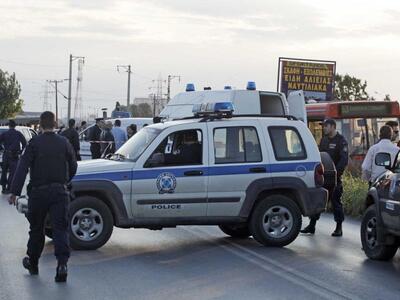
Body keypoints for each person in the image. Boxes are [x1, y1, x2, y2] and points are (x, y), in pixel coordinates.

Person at [8, 111, 77, 283]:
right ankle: (62, 265)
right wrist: (65, 182)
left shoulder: (34, 143)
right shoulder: (64, 142)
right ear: (55, 124)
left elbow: (22, 168)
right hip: (60, 193)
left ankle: (33, 263)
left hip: (38, 193)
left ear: (40, 124)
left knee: (36, 229)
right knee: (60, 228)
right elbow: (73, 165)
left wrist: (15, 192)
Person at [301, 119, 348, 237]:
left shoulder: (341, 141)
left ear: (332, 126)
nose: (324, 128)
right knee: (319, 200)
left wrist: (336, 173)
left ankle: (339, 228)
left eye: (326, 126)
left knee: (336, 202)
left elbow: (343, 160)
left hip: (335, 177)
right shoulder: (324, 140)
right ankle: (312, 225)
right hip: (323, 176)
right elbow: (319, 156)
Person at [0, 120, 27, 194]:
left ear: (9, 126)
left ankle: (3, 187)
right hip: (14, 155)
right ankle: (9, 187)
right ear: (15, 126)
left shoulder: (5, 134)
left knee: (4, 171)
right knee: (13, 172)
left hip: (6, 155)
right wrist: (21, 152)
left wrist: (2, 149)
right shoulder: (18, 134)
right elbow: (25, 143)